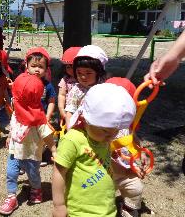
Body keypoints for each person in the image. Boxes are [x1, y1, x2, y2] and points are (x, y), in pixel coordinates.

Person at [52, 83, 136, 217]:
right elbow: (58, 172)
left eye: (116, 131)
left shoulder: (103, 139)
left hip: (107, 209)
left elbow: (104, 164)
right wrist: (59, 205)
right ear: (86, 119)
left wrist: (127, 172)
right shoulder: (73, 140)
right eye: (105, 131)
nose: (111, 136)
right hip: (80, 211)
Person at [0, 73, 56, 215]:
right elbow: (14, 124)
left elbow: (47, 135)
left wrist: (54, 150)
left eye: (17, 97)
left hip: (31, 153)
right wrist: (10, 136)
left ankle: (36, 189)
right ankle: (11, 197)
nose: (15, 100)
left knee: (33, 176)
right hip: (14, 151)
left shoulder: (38, 118)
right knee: (11, 173)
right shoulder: (17, 110)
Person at [105, 77, 146, 217]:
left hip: (127, 169)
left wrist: (141, 152)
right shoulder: (100, 122)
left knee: (136, 188)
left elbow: (133, 137)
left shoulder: (129, 122)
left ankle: (128, 206)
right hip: (106, 171)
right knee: (103, 194)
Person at [24, 47, 56, 166]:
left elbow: (52, 101)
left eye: (41, 67)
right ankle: (23, 161)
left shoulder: (47, 85)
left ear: (46, 69)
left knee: (41, 138)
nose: (37, 69)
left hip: (41, 118)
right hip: (26, 117)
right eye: (33, 66)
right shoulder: (23, 82)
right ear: (27, 66)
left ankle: (39, 156)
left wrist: (48, 115)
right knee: (26, 138)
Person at [65, 45, 108, 126]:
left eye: (88, 73)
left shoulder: (104, 88)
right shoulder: (76, 90)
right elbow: (70, 112)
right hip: (81, 128)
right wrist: (70, 130)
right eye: (79, 73)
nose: (83, 77)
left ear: (99, 72)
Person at [57, 47, 81, 121]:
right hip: (68, 111)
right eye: (68, 67)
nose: (71, 70)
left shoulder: (86, 79)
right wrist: (61, 109)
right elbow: (62, 94)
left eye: (74, 67)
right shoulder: (65, 80)